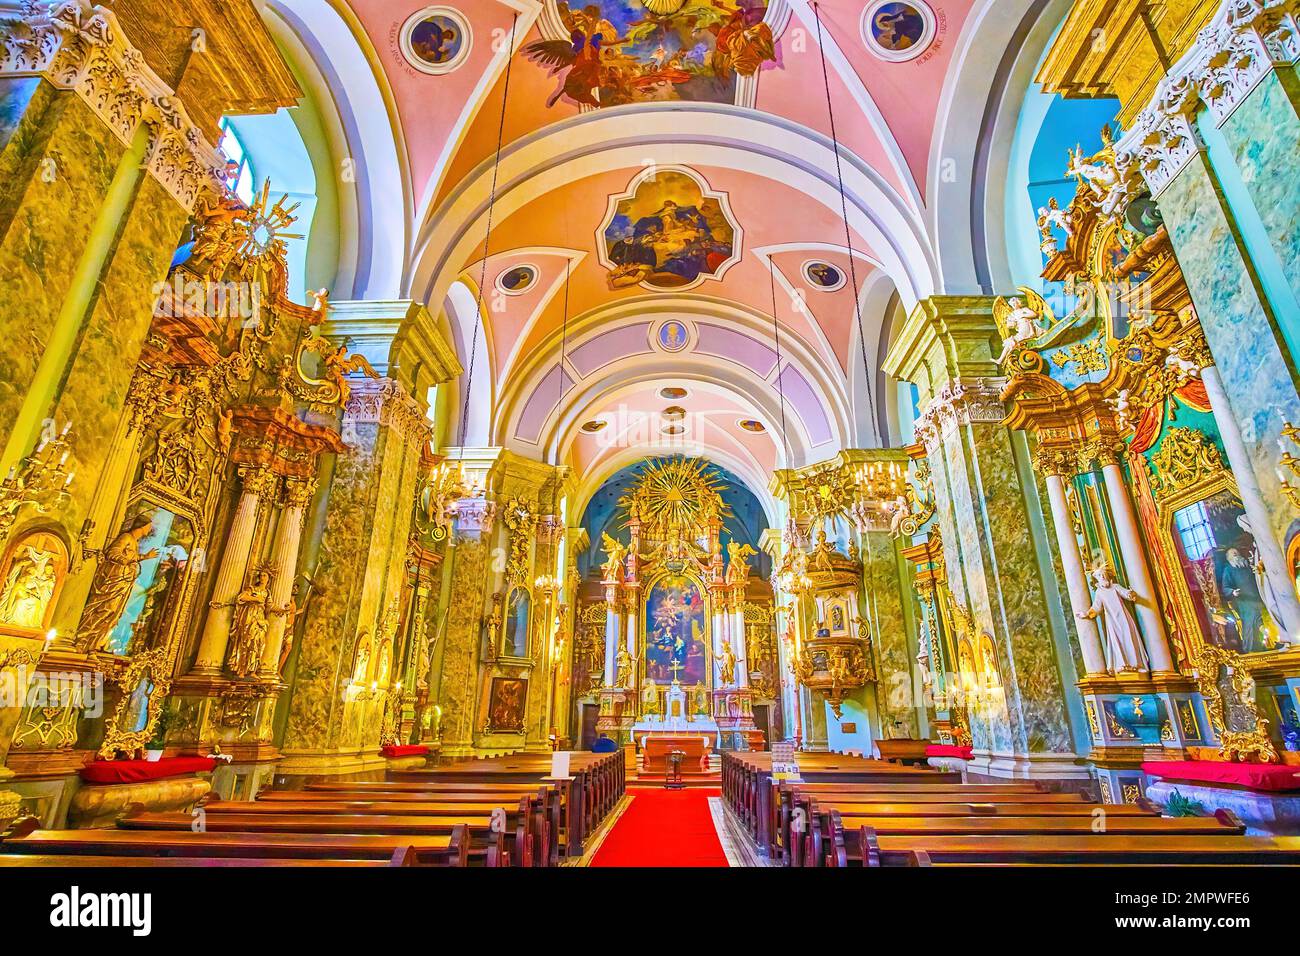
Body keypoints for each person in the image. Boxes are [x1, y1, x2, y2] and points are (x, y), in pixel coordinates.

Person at [1077, 564, 1149, 673]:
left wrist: (1130, 594)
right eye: (1100, 576)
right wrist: (1086, 614)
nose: (1103, 577)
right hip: (1111, 620)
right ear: (1097, 579)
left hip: (1123, 617)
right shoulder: (1099, 592)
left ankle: (1136, 664)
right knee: (1117, 641)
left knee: (1129, 638)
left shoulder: (1115, 587)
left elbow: (1125, 593)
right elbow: (1096, 607)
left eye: (1104, 575)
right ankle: (1123, 664)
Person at [1222, 547, 1268, 653]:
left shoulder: (1246, 565)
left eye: (1237, 552)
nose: (1236, 554)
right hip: (1245, 602)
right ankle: (1251, 649)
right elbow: (1225, 588)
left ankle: (1266, 644)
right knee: (1251, 624)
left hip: (1258, 598)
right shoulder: (1228, 570)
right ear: (1229, 558)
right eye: (1233, 554)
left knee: (1263, 620)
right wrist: (1233, 592)